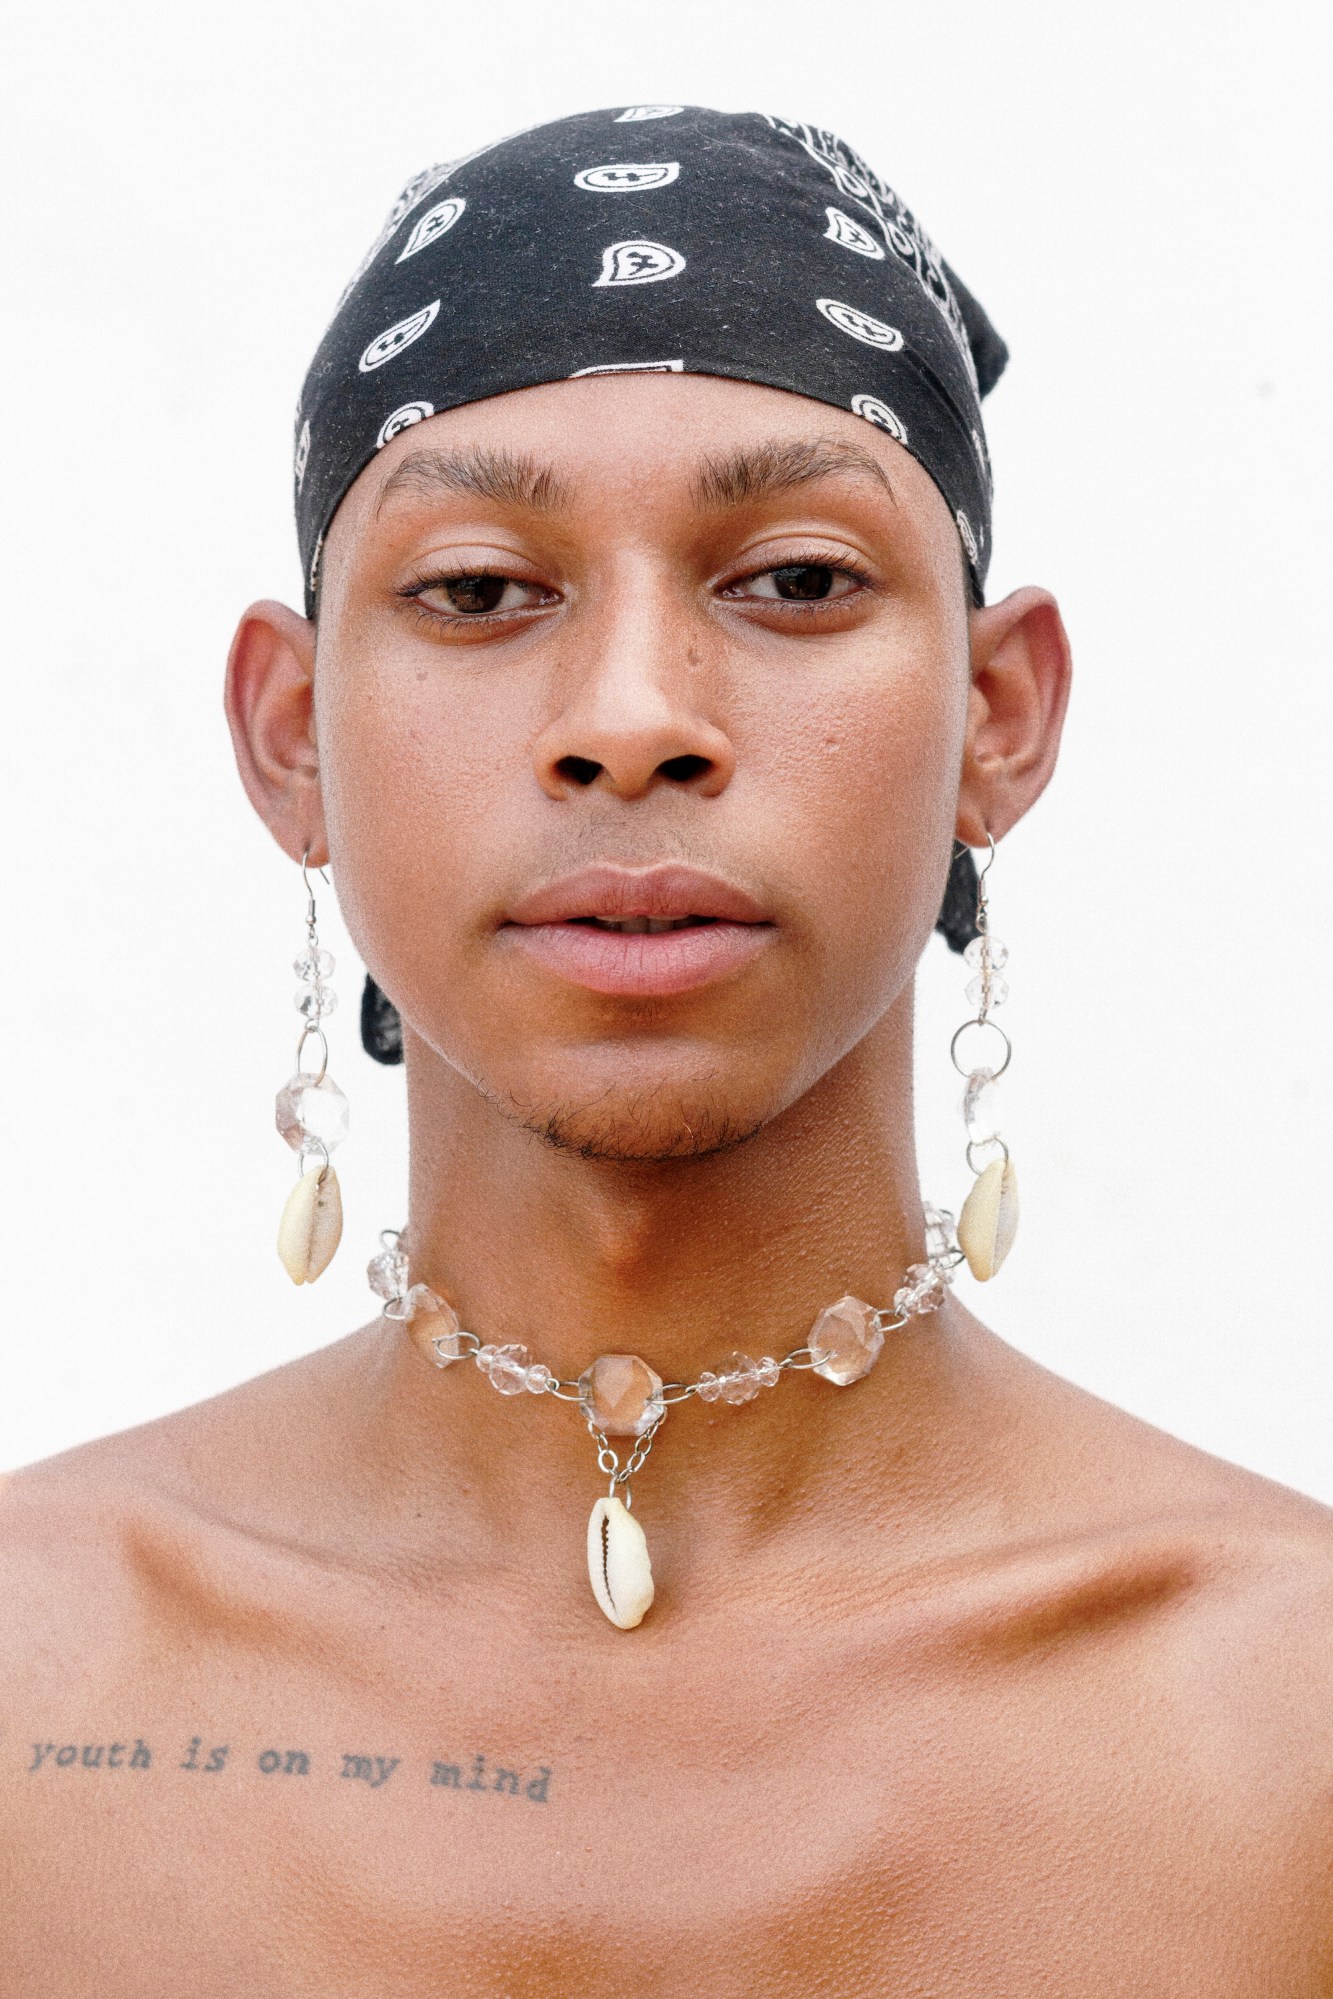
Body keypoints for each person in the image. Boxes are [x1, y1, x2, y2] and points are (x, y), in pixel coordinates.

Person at [4, 106, 1331, 1996]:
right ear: (293, 736)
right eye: (478, 590)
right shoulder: (32, 1703)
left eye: (791, 580)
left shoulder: (1289, 1742)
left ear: (996, 717)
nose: (631, 721)